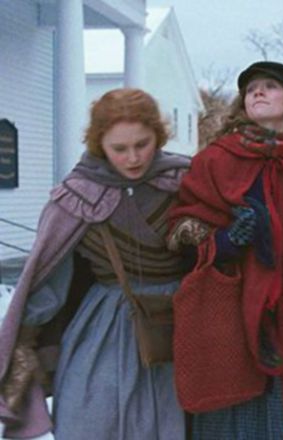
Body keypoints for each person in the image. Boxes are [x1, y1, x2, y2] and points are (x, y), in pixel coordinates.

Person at [0, 88, 190, 439]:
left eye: (143, 144)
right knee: (92, 416)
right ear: (99, 143)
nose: (133, 157)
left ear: (158, 137)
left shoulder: (184, 181)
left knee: (173, 420)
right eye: (119, 148)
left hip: (178, 322)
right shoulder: (78, 196)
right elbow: (50, 276)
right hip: (104, 325)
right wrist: (26, 337)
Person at [168, 61, 283, 440]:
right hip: (232, 308)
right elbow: (182, 228)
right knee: (232, 410)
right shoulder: (214, 159)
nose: (258, 91)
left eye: (271, 86)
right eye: (251, 87)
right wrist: (225, 242)